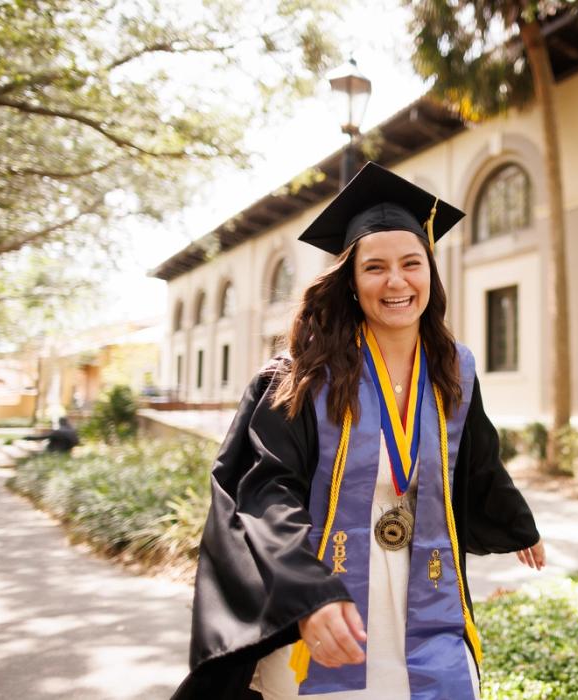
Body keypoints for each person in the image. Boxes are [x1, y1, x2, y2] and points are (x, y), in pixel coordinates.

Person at [172, 162, 546, 700]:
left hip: (425, 587)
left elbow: (478, 457)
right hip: (326, 595)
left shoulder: (453, 369)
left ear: (430, 274)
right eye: (375, 267)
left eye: (411, 263)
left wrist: (517, 524)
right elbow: (265, 491)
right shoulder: (300, 377)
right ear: (350, 281)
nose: (396, 281)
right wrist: (309, 592)